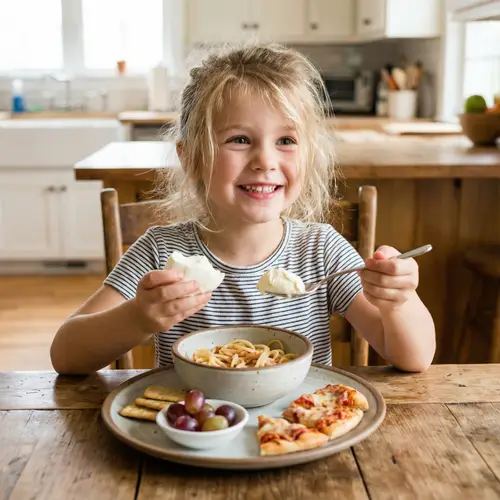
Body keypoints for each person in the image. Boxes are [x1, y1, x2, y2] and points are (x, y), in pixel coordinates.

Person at [50, 42, 435, 375]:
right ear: (192, 158)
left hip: (300, 431)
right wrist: (137, 318)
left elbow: (414, 358)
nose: (265, 160)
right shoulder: (160, 254)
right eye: (239, 139)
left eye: (285, 139)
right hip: (192, 436)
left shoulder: (322, 252)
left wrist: (399, 301)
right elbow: (65, 354)